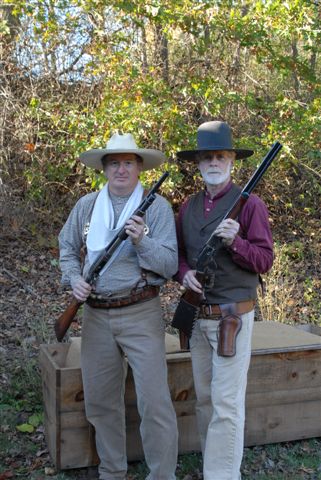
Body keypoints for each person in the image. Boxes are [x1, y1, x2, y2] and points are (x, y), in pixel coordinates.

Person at [58, 132, 178, 480]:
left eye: (128, 162)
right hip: (95, 315)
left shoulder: (157, 208)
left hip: (140, 311)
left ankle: (162, 475)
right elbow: (66, 247)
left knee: (155, 403)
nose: (121, 169)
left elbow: (169, 265)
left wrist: (142, 241)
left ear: (139, 168)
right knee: (100, 402)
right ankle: (112, 472)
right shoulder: (85, 206)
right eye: (114, 163)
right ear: (104, 169)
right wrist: (72, 278)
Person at [175, 121, 273, 480]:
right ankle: (213, 468)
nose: (214, 162)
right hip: (198, 319)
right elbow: (180, 255)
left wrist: (237, 243)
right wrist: (183, 273)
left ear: (232, 160)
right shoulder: (187, 207)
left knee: (227, 406)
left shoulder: (251, 206)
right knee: (205, 401)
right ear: (199, 163)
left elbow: (265, 260)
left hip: (233, 317)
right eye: (207, 157)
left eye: (221, 155)